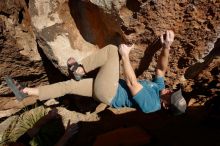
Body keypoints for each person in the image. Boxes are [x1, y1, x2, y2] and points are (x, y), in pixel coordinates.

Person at [6, 30, 186, 115]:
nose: (170, 90)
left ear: (166, 105)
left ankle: (79, 69)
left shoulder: (151, 104)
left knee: (111, 51)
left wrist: (124, 56)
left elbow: (131, 83)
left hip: (110, 91)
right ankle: (26, 93)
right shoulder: (160, 89)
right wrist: (167, 47)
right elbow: (161, 69)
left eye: (171, 95)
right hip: (104, 91)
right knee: (69, 86)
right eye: (173, 90)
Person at [4, 108, 79, 146]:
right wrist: (67, 135)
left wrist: (49, 116)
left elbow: (36, 127)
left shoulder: (20, 142)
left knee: (45, 129)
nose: (20, 144)